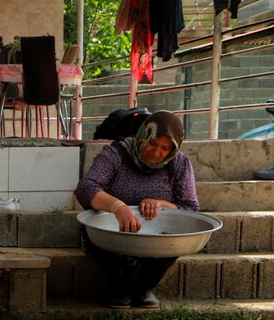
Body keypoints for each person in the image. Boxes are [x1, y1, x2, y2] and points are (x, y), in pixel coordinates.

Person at [75, 110, 199, 308]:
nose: (157, 152)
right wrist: (118, 207)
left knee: (175, 236)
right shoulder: (116, 153)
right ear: (143, 136)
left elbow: (190, 208)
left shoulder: (179, 163)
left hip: (155, 236)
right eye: (152, 143)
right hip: (112, 231)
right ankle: (120, 288)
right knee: (117, 264)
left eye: (165, 148)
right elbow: (86, 188)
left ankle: (144, 288)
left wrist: (161, 204)